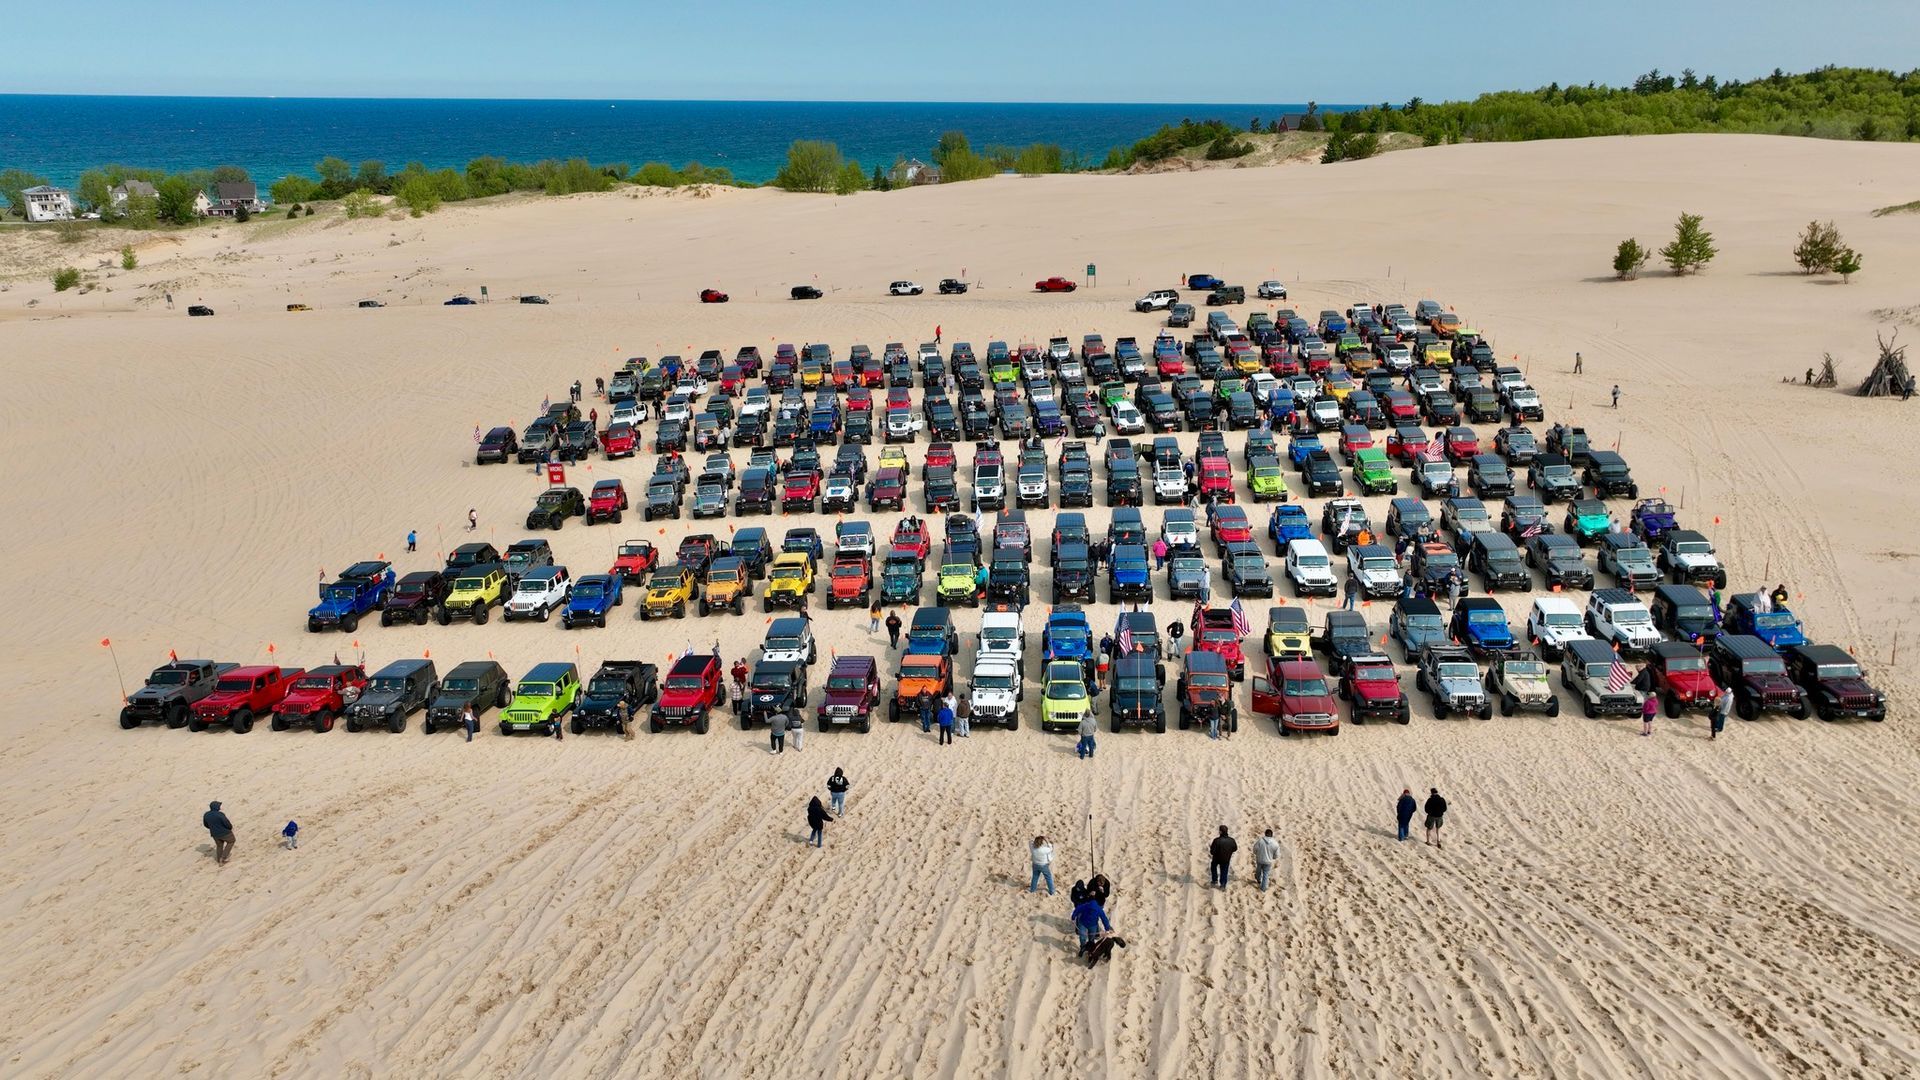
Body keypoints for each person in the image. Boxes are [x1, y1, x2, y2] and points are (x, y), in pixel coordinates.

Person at [203, 801, 235, 866]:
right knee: (231, 841)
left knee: (219, 845)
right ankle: (223, 858)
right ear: (216, 807)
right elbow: (227, 823)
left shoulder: (206, 814)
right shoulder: (220, 814)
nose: (220, 807)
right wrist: (230, 828)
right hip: (224, 832)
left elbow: (205, 824)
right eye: (219, 806)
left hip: (214, 834)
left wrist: (212, 828)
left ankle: (219, 859)